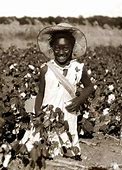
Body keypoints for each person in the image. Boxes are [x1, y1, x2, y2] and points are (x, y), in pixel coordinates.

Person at [35, 23, 94, 159]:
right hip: (49, 115)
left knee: (69, 143)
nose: (61, 52)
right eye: (57, 48)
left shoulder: (79, 68)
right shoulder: (46, 69)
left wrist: (79, 100)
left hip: (69, 113)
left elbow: (89, 87)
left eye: (66, 48)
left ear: (72, 48)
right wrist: (38, 113)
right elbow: (40, 94)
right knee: (50, 146)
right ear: (52, 49)